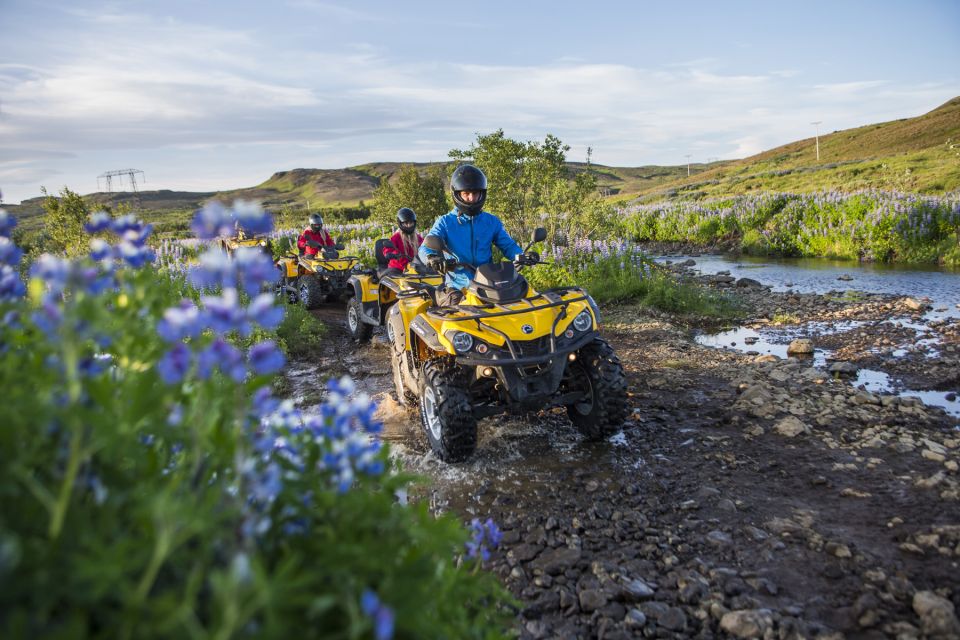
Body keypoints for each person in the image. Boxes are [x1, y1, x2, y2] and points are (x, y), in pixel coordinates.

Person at [418, 164, 538, 306]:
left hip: (489, 282)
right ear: (457, 194)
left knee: (521, 301)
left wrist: (522, 255)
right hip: (458, 285)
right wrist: (432, 258)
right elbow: (425, 247)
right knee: (455, 312)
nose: (471, 198)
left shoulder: (491, 221)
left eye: (475, 193)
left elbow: (508, 245)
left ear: (482, 193)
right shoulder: (445, 222)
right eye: (466, 193)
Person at [382, 207, 423, 275]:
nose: (409, 225)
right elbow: (387, 248)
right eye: (406, 223)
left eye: (411, 223)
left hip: (414, 268)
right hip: (397, 268)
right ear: (400, 223)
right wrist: (392, 254)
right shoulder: (396, 237)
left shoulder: (418, 238)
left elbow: (425, 246)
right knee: (391, 279)